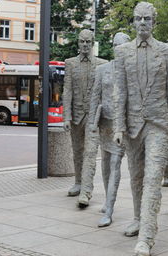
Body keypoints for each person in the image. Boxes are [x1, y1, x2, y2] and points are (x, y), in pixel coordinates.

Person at [113, 2, 168, 256]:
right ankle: (138, 218)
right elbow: (119, 92)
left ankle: (146, 238)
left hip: (158, 124)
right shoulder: (122, 52)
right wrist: (119, 126)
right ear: (133, 22)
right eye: (138, 18)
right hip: (132, 126)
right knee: (137, 177)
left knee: (153, 178)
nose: (142, 23)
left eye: (147, 19)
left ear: (154, 22)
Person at [78, 32, 131, 226]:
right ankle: (109, 200)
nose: (118, 49)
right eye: (116, 45)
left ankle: (109, 209)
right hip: (105, 124)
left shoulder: (131, 72)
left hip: (121, 126)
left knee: (115, 164)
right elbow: (95, 97)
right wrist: (92, 123)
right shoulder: (103, 70)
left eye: (122, 45)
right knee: (105, 164)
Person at [63, 29, 107, 205]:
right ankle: (78, 182)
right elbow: (67, 91)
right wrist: (66, 116)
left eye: (88, 42)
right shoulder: (70, 63)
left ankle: (86, 192)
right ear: (78, 43)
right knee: (77, 152)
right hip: (76, 117)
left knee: (90, 152)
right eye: (82, 41)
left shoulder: (102, 64)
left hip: (94, 117)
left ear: (93, 43)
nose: (85, 45)